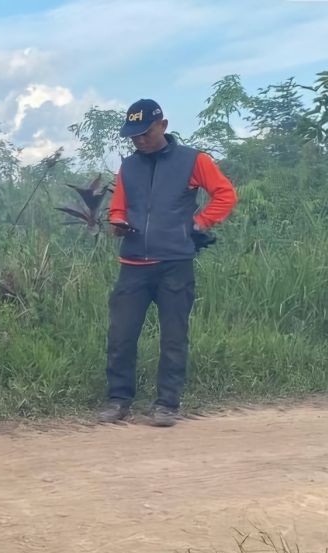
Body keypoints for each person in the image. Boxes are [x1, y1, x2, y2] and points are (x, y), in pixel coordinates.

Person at [100, 99, 237, 427]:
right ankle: (119, 400)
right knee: (121, 334)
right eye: (133, 136)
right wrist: (118, 221)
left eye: (145, 133)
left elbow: (225, 194)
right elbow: (119, 206)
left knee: (174, 335)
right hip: (133, 262)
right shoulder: (129, 166)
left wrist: (199, 224)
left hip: (174, 262)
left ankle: (167, 404)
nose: (139, 140)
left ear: (162, 125)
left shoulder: (193, 160)